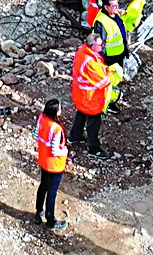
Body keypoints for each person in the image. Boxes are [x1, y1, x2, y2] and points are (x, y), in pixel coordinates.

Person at [70, 29, 112, 155]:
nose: (103, 46)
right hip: (90, 98)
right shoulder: (90, 62)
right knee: (93, 124)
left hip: (81, 94)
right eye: (100, 45)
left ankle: (74, 136)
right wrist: (111, 73)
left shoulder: (83, 51)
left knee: (81, 114)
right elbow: (104, 81)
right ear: (93, 47)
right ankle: (94, 149)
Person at [34, 98, 70, 229]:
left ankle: (39, 212)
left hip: (43, 160)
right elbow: (55, 150)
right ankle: (50, 220)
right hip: (55, 165)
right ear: (56, 112)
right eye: (60, 108)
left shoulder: (41, 119)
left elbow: (36, 136)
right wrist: (65, 151)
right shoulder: (57, 129)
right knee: (52, 193)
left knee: (43, 186)